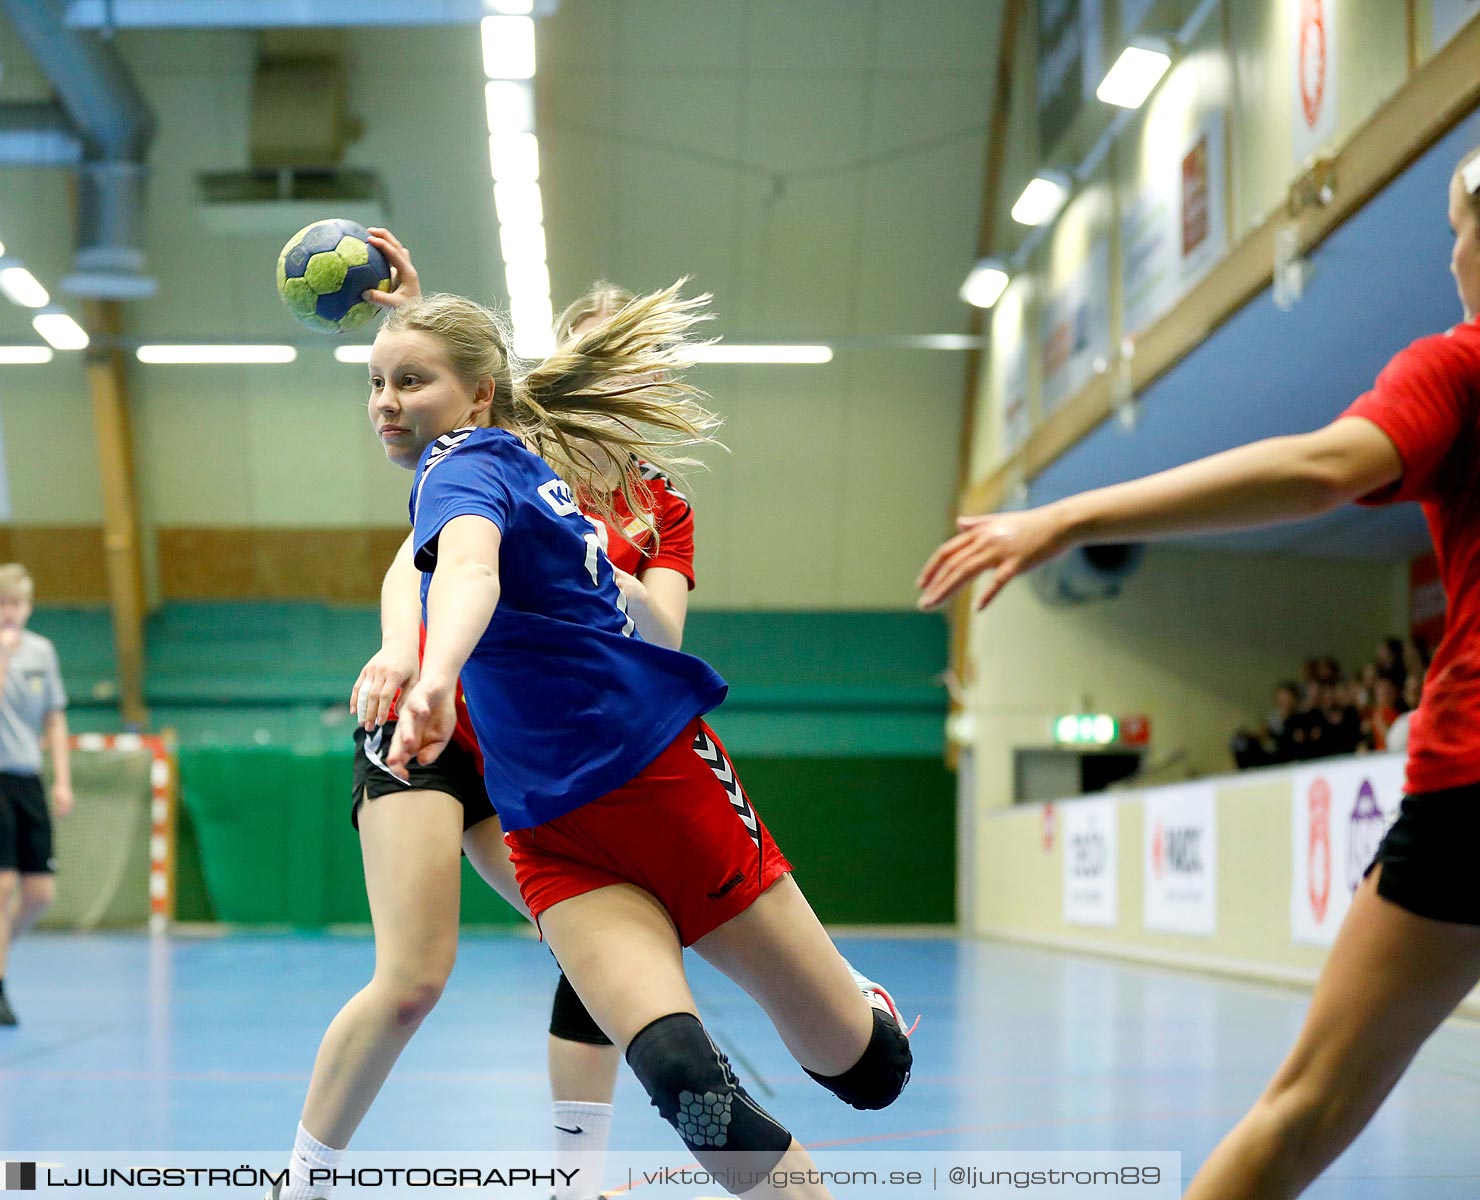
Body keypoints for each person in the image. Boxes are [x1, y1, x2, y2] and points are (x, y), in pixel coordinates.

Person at [917, 145, 1480, 1200]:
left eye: (1455, 225)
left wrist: (1072, 514)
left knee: (1303, 1113)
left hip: (1474, 784)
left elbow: (1323, 467)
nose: (1449, 252)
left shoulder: (1459, 363)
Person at [286, 244, 904, 1200]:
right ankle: (486, 1177)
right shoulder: (471, 468)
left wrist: (583, 584)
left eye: (408, 381)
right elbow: (454, 563)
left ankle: (862, 1011)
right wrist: (426, 664)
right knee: (686, 1081)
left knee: (867, 1071)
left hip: (660, 777)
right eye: (376, 384)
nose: (385, 401)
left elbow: (501, 569)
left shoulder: (603, 489)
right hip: (547, 826)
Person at [0, 563, 72, 1027]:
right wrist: (2, 660)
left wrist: (61, 779)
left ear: (27, 607)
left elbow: (54, 718)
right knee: (1, 883)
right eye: (1, 604)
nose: (8, 612)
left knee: (40, 892)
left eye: (16, 604)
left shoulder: (43, 652)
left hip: (28, 776)